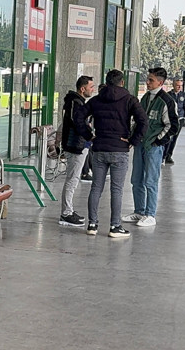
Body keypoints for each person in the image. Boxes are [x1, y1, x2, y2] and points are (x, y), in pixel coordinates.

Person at [74, 69, 147, 238]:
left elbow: (78, 117)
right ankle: (115, 227)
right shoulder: (130, 100)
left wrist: (89, 135)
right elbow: (143, 121)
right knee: (117, 190)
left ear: (106, 82)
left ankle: (92, 224)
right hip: (120, 148)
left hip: (99, 148)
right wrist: (133, 141)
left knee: (96, 188)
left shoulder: (96, 100)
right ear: (122, 83)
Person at [121, 67, 178, 228]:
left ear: (160, 82)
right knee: (136, 179)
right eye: (148, 79)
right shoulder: (145, 98)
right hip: (140, 144)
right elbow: (138, 120)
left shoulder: (166, 101)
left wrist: (158, 141)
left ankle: (150, 214)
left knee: (151, 180)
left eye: (151, 80)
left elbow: (173, 126)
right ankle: (139, 210)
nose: (147, 82)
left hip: (153, 147)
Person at [58, 75, 94, 227]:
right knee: (72, 179)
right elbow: (78, 123)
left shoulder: (78, 102)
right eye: (91, 87)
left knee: (74, 179)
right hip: (75, 146)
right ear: (82, 88)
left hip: (80, 145)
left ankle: (68, 210)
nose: (93, 90)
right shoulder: (75, 103)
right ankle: (66, 213)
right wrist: (90, 135)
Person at [164, 79, 185, 164]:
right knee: (169, 138)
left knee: (174, 138)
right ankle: (163, 155)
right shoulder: (168, 95)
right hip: (170, 119)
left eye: (181, 85)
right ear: (173, 85)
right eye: (177, 85)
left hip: (180, 120)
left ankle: (169, 156)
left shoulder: (183, 95)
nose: (179, 87)